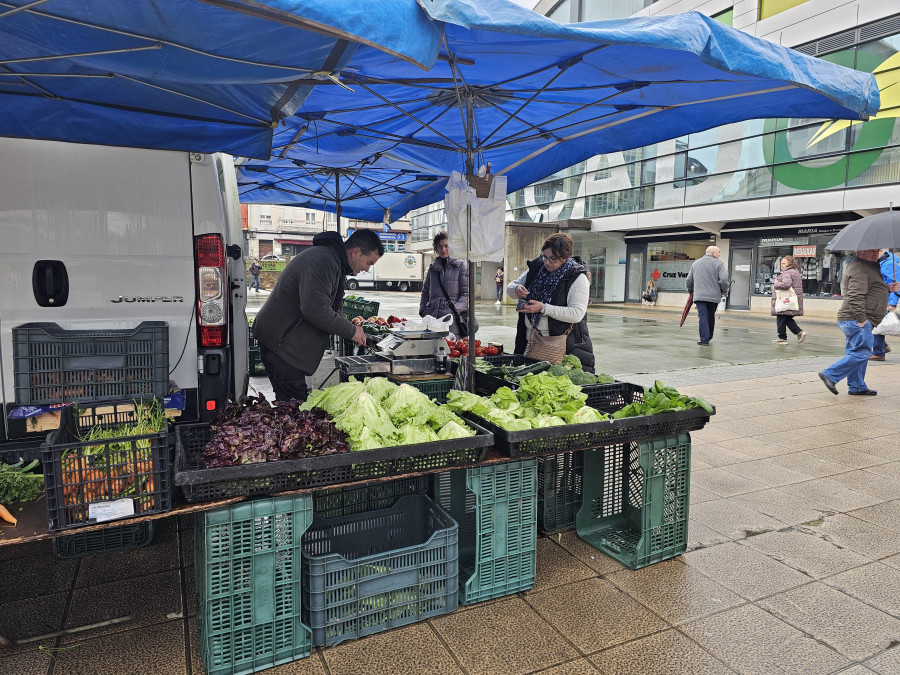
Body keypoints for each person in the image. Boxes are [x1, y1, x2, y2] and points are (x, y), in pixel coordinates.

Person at [253, 229, 384, 401]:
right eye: (369, 263)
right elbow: (315, 309)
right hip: (282, 346)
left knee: (292, 409)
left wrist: (349, 327)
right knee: (295, 411)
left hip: (286, 345)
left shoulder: (332, 261)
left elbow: (330, 306)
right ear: (356, 252)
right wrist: (352, 330)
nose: (367, 269)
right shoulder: (324, 261)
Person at [819, 248, 900, 396]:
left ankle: (857, 386)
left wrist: (888, 289)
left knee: (856, 352)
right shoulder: (860, 268)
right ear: (860, 252)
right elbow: (855, 296)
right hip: (857, 319)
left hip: (858, 318)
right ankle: (830, 374)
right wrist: (862, 320)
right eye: (872, 251)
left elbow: (871, 290)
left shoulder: (870, 266)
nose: (876, 254)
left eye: (877, 251)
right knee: (863, 352)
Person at [508, 232, 595, 371]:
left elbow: (577, 313)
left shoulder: (577, 278)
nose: (547, 262)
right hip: (528, 341)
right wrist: (516, 289)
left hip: (560, 345)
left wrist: (543, 308)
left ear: (565, 257)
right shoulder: (538, 268)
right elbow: (510, 288)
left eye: (553, 259)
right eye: (545, 257)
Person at [420, 231, 469, 337]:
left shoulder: (461, 265)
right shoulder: (433, 268)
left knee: (451, 349)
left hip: (452, 321)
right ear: (436, 249)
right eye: (440, 246)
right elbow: (425, 292)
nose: (443, 249)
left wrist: (452, 310)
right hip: (432, 319)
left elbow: (466, 295)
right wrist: (423, 310)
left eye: (446, 246)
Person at [685, 245, 730, 346]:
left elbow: (688, 280)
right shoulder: (719, 264)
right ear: (713, 253)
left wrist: (692, 291)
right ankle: (709, 337)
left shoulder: (696, 263)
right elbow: (724, 280)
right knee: (710, 316)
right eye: (718, 252)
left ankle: (704, 339)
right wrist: (723, 291)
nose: (719, 254)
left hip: (699, 296)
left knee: (703, 316)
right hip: (714, 296)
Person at [770, 255, 807, 345]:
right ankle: (799, 333)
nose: (781, 265)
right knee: (786, 318)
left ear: (789, 264)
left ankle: (782, 338)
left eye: (784, 263)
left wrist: (776, 284)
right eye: (781, 263)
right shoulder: (795, 272)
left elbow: (786, 284)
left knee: (781, 317)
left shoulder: (787, 272)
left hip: (785, 299)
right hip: (793, 299)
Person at [870, 248, 899, 361]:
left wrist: (892, 303)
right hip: (880, 299)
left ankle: (879, 352)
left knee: (876, 324)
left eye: (874, 252)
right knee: (877, 324)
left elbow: (897, 284)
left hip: (886, 300)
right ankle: (883, 347)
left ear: (881, 251)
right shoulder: (881, 263)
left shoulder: (889, 264)